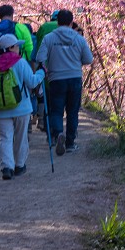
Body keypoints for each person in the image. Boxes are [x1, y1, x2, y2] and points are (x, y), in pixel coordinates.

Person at [34, 9, 93, 155]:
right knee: (72, 111)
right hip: (74, 78)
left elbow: (40, 58)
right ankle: (70, 143)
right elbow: (88, 59)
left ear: (57, 22)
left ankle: (58, 133)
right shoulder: (79, 38)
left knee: (56, 110)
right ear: (71, 22)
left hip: (56, 79)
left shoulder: (49, 38)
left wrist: (46, 68)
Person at [0, 33, 45, 180]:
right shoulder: (20, 63)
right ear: (11, 48)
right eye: (16, 46)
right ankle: (19, 165)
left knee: (5, 138)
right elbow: (32, 82)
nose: (18, 49)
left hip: (0, 109)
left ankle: (7, 167)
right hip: (21, 107)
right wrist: (41, 72)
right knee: (21, 137)